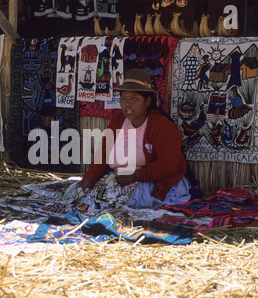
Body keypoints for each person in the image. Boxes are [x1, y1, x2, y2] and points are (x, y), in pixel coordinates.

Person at [79, 68, 192, 208]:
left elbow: (170, 165)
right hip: (120, 178)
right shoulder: (118, 121)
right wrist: (91, 176)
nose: (128, 104)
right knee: (83, 198)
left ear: (147, 101)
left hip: (152, 182)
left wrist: (136, 175)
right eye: (124, 99)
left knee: (115, 206)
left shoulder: (162, 126)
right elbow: (104, 154)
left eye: (134, 99)